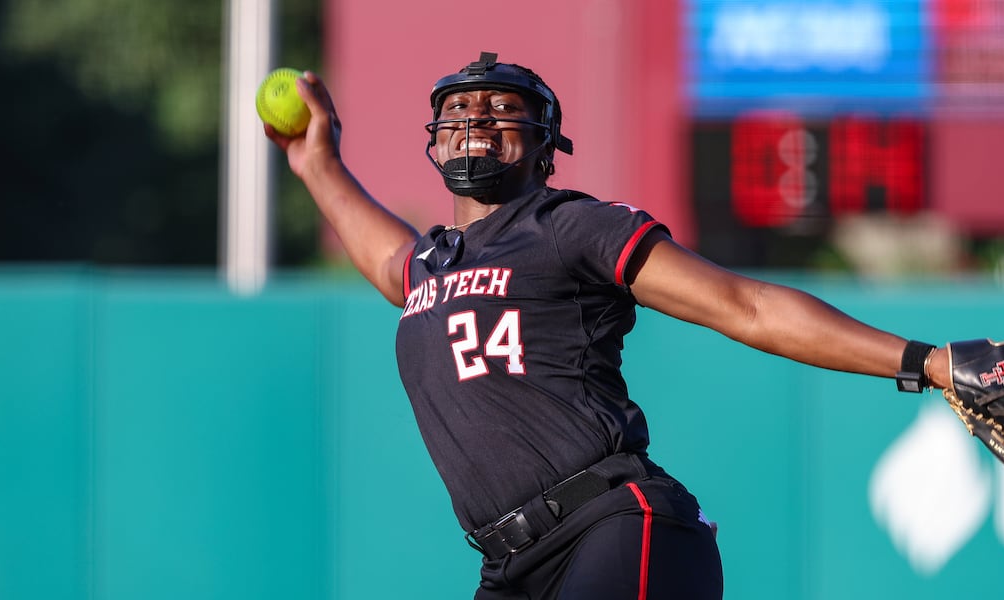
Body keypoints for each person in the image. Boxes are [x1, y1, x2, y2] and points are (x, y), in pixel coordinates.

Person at [264, 51, 954, 600]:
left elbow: (744, 304)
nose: (477, 118)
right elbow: (387, 259)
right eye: (459, 108)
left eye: (503, 108)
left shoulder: (566, 225)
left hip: (612, 526)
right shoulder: (431, 266)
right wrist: (317, 163)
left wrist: (926, 361)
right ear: (436, 139)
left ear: (545, 147)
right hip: (510, 568)